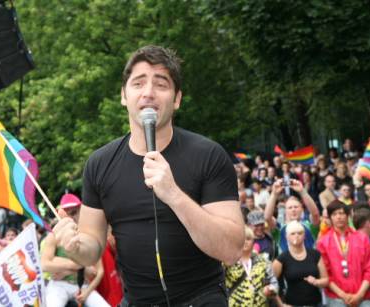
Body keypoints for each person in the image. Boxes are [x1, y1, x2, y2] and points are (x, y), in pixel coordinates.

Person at [53, 45, 244, 307]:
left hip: (201, 300)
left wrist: (174, 195)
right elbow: (92, 247)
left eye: (161, 84)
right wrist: (75, 247)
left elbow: (231, 250)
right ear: (124, 95)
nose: (148, 93)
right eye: (138, 83)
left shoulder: (208, 155)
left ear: (176, 99)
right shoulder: (99, 164)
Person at [41, 193, 110, 307]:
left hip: (84, 286)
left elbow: (97, 271)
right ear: (61, 213)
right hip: (59, 286)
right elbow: (44, 265)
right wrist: (79, 266)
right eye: (67, 213)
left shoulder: (89, 234)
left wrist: (86, 292)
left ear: (81, 210)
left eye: (74, 212)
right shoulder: (54, 234)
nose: (71, 217)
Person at [317, 200, 370, 307]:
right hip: (336, 297)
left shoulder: (362, 239)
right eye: (334, 214)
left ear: (348, 216)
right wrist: (343, 295)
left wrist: (360, 295)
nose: (338, 217)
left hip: (363, 296)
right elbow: (325, 275)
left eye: (342, 213)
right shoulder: (323, 242)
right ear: (330, 218)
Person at [272, 221, 328, 307]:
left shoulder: (315, 254)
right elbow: (270, 284)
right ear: (286, 237)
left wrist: (316, 282)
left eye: (300, 233)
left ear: (304, 236)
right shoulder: (282, 259)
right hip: (292, 303)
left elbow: (326, 280)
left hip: (316, 303)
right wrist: (280, 304)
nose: (296, 236)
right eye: (293, 233)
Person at [225, 226, 278, 307]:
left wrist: (271, 289)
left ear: (254, 242)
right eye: (242, 239)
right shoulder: (228, 261)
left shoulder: (263, 261)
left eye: (248, 239)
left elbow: (274, 283)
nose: (245, 242)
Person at [264, 178, 320, 253]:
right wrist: (274, 194)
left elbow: (315, 214)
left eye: (296, 207)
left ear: (302, 209)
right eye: (290, 208)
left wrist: (302, 191)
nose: (293, 210)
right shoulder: (280, 228)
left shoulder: (309, 226)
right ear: (285, 211)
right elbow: (267, 217)